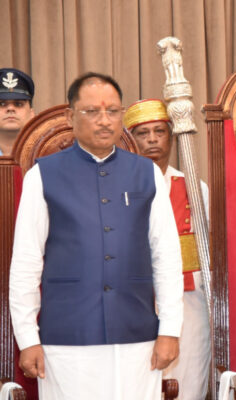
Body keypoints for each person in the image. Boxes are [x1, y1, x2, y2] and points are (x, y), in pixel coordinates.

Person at [9, 72, 183, 400]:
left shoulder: (147, 174)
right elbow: (26, 264)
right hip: (67, 338)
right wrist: (28, 338)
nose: (104, 121)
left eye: (113, 111)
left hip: (138, 337)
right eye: (92, 111)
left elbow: (167, 257)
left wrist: (170, 330)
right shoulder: (42, 176)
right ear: (70, 116)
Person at [124, 99, 210, 399]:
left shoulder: (193, 187)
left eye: (159, 131)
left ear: (170, 137)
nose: (151, 139)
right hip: (134, 300)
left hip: (189, 302)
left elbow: (209, 247)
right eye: (142, 133)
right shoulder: (118, 187)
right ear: (129, 139)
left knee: (187, 381)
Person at [0, 68, 35, 155]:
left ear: (31, 114)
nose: (10, 108)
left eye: (18, 104)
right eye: (2, 104)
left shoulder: (45, 153)